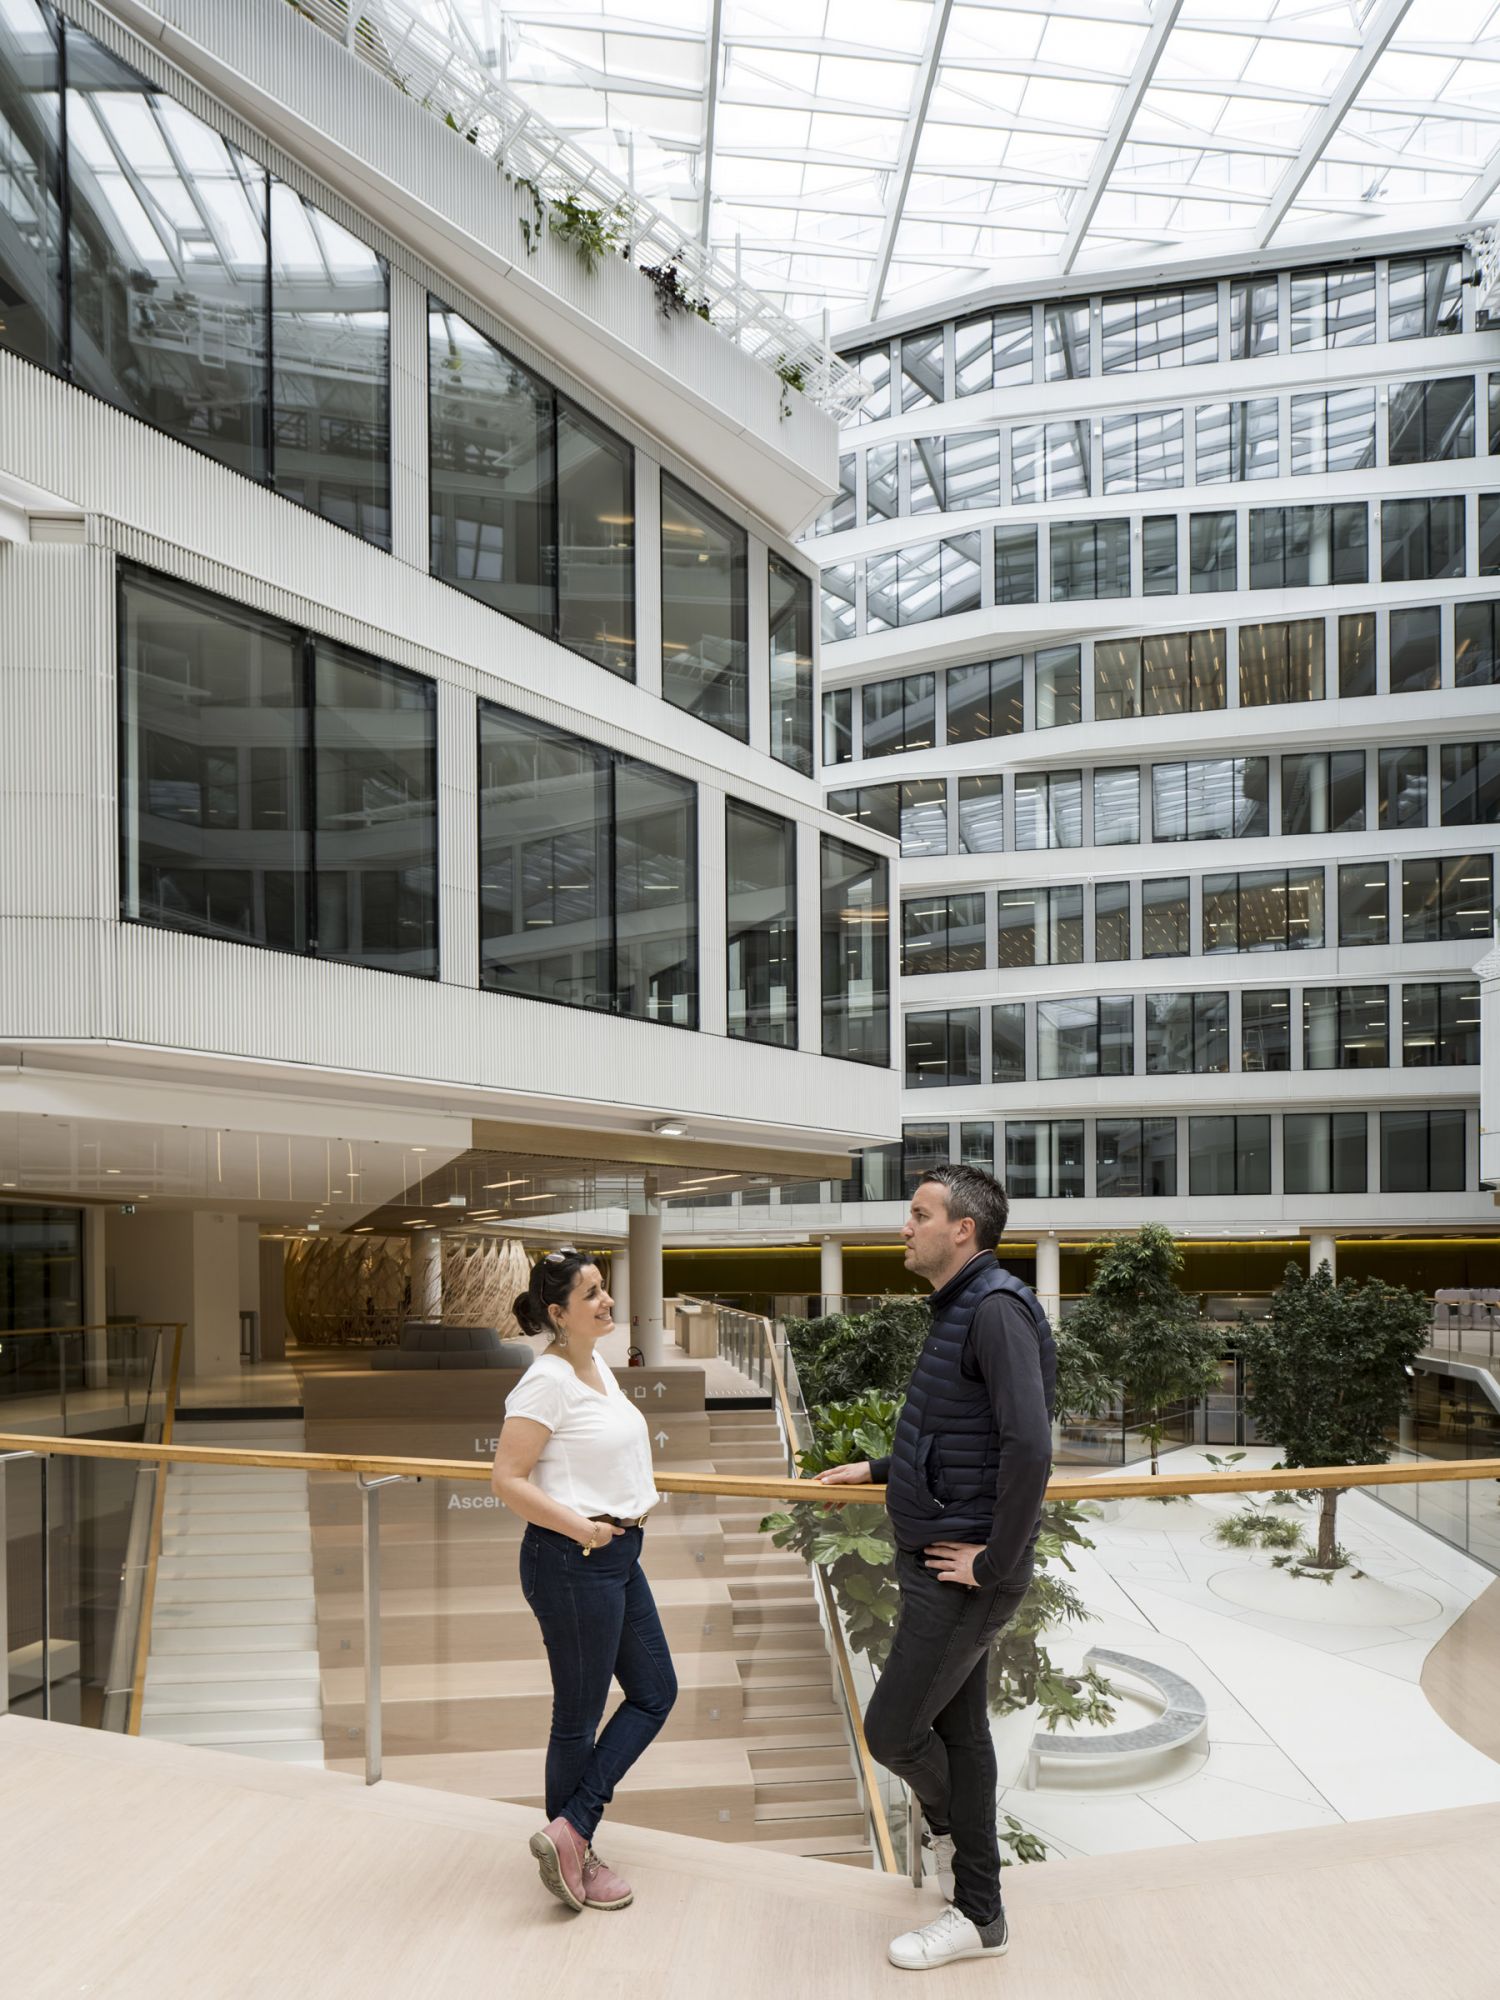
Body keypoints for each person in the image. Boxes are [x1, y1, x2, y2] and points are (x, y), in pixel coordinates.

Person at [816, 1165, 1055, 1973]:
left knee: (891, 1731)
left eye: (919, 1214)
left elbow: (1031, 1446)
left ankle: (966, 1870)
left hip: (963, 1574)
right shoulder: (960, 1306)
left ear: (963, 1230)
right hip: (942, 1561)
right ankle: (978, 1906)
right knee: (962, 1733)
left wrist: (995, 1561)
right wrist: (880, 1469)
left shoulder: (993, 1310)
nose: (905, 1227)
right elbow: (961, 1435)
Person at [491, 1246, 677, 1914]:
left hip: (616, 1555)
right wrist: (585, 1530)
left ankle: (569, 1828)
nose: (607, 1301)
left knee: (655, 1691)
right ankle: (577, 1852)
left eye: (604, 1288)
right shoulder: (546, 1380)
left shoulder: (594, 1364)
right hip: (574, 1560)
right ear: (558, 1312)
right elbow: (507, 1479)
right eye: (591, 1293)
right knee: (578, 1716)